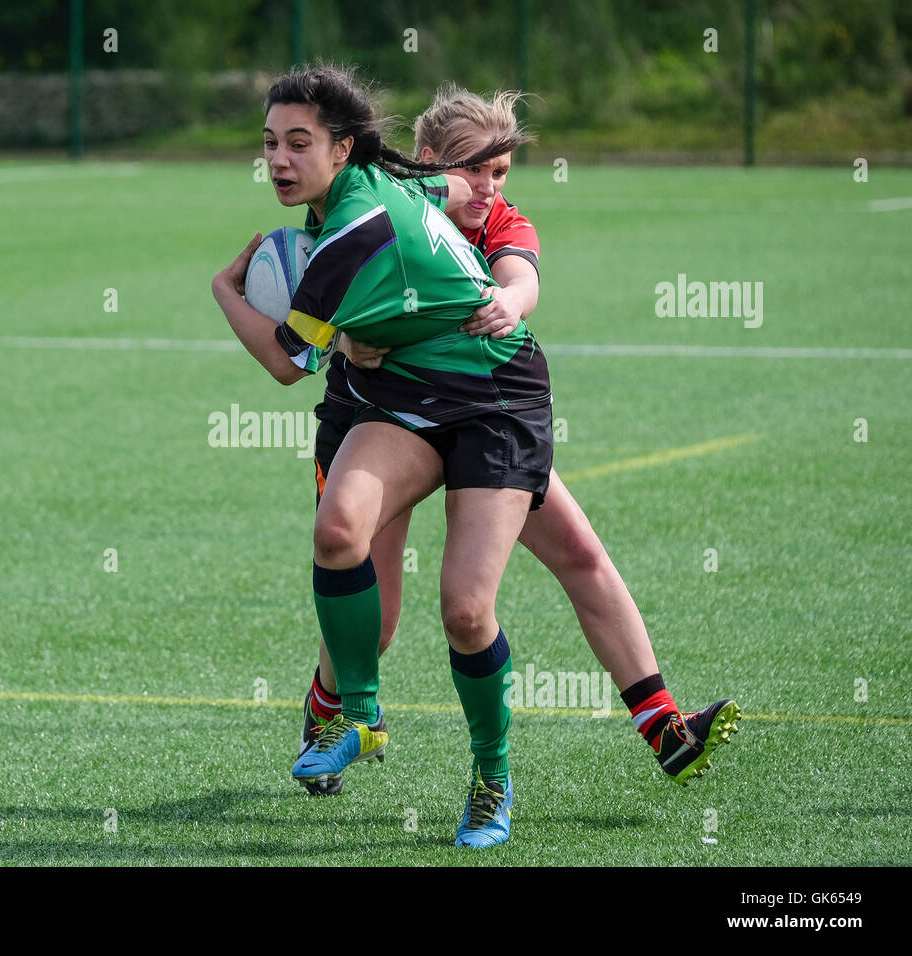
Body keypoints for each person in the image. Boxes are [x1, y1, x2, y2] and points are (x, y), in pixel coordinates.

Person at [298, 84, 742, 797]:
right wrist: (344, 340)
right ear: (429, 160)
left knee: (579, 555)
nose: (487, 187)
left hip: (481, 413)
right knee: (376, 616)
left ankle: (664, 726)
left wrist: (509, 300)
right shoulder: (378, 205)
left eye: (500, 172)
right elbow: (314, 304)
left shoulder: (501, 222)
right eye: (473, 168)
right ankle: (328, 714)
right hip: (379, 415)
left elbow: (519, 276)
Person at [211, 65, 548, 848]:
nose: (279, 160)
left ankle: (491, 779)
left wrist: (225, 292)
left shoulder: (351, 231)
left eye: (299, 144)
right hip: (408, 395)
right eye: (270, 143)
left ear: (343, 149)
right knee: (339, 529)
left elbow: (286, 362)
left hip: (496, 398)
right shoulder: (375, 183)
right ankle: (359, 716)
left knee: (466, 611)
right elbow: (450, 189)